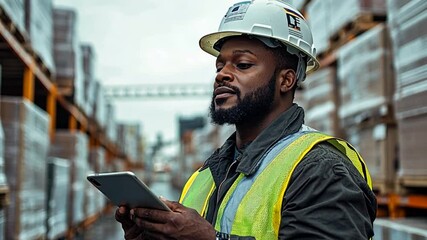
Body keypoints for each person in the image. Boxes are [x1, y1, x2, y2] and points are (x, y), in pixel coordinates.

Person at [115, 0, 377, 239]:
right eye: (220, 66)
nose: (221, 75)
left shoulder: (322, 171)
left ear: (286, 80)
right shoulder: (207, 173)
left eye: (242, 65)